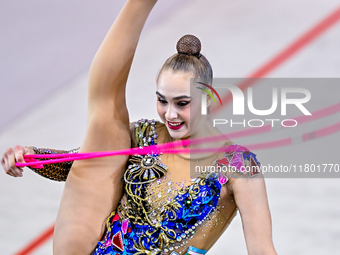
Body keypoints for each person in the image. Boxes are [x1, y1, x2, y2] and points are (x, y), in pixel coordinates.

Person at [1, 0, 277, 254]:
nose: (170, 114)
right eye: (162, 101)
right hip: (96, 248)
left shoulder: (238, 166)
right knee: (106, 113)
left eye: (182, 103)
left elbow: (262, 249)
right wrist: (32, 157)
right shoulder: (145, 135)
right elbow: (82, 163)